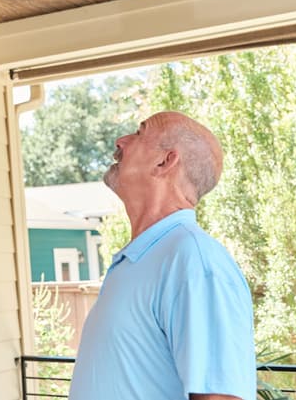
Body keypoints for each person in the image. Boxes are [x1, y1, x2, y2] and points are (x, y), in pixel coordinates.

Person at [68, 111, 257, 400]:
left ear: (165, 161)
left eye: (139, 133)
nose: (121, 140)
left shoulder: (195, 262)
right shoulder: (137, 261)